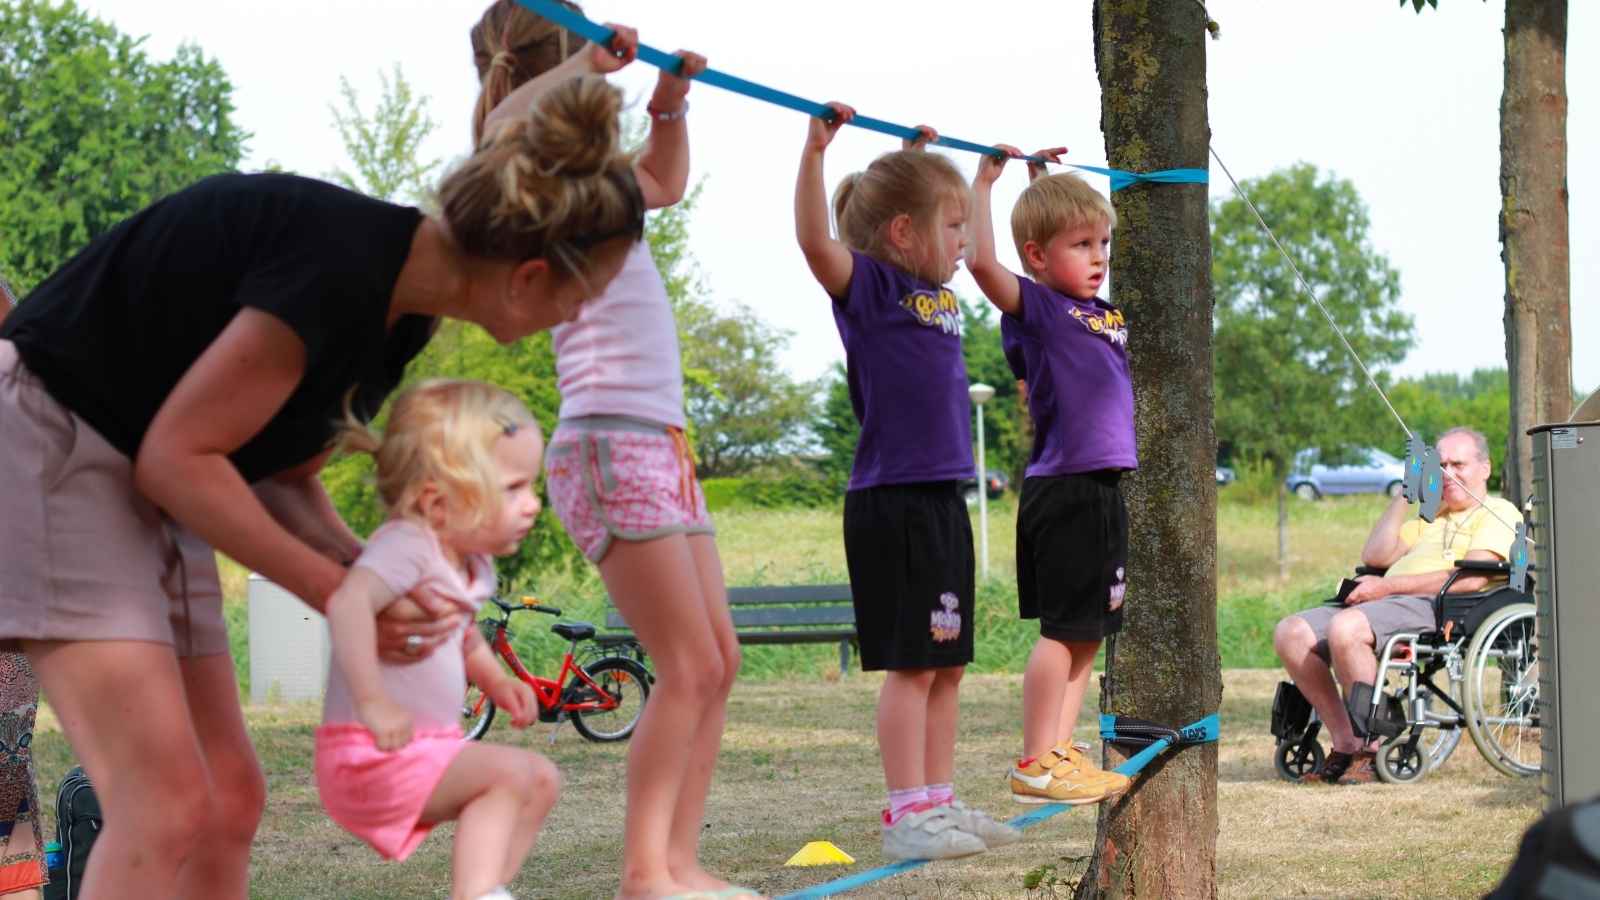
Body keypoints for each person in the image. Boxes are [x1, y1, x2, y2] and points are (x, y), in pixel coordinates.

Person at [0, 53, 645, 899]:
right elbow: (179, 461)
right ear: (529, 276)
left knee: (229, 795)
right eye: (583, 296)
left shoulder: (398, 312)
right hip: (53, 439)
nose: (578, 317)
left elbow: (271, 473)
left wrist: (361, 575)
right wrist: (342, 596)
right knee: (162, 805)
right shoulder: (339, 269)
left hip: (141, 468)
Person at [469, 5, 752, 898]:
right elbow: (501, 125)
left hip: (658, 445)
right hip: (608, 444)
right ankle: (644, 875)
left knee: (720, 661)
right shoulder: (528, 179)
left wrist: (671, 104)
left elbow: (665, 180)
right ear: (562, 77)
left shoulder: (601, 183)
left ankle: (679, 864)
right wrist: (591, 60)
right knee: (691, 664)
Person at [793, 105, 1020, 861]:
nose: (965, 244)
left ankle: (939, 802)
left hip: (944, 495)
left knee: (948, 662)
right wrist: (816, 151)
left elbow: (916, 206)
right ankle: (904, 815)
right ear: (902, 233)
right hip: (891, 501)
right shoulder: (871, 291)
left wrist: (927, 164)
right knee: (912, 664)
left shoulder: (941, 294)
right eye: (953, 229)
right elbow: (814, 242)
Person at [317, 380, 551, 900]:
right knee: (510, 774)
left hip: (425, 748)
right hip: (370, 753)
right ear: (437, 502)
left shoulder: (469, 561)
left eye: (531, 486)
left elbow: (460, 632)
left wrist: (494, 679)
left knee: (541, 779)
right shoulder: (408, 545)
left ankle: (489, 888)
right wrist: (372, 701)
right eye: (513, 488)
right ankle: (476, 895)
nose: (533, 505)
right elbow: (348, 603)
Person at [967, 149, 1134, 806]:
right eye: (1082, 245)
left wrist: (1047, 186)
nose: (1099, 257)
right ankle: (1034, 758)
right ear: (1037, 257)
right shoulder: (1036, 310)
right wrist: (986, 184)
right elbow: (983, 263)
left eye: (1103, 244)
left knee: (1088, 630)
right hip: (1064, 489)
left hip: (1102, 489)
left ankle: (1060, 752)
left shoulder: (1104, 313)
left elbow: (1052, 242)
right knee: (1063, 631)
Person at [1273, 427, 1522, 784]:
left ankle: (1370, 749)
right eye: (1440, 465)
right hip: (1384, 601)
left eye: (1458, 464)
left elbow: (1471, 579)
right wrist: (1408, 493)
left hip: (1439, 606)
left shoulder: (1497, 512)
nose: (1448, 473)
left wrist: (1386, 587)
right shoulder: (1432, 519)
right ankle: (1346, 742)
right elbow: (1375, 555)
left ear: (1485, 468)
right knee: (1291, 632)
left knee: (1347, 628)